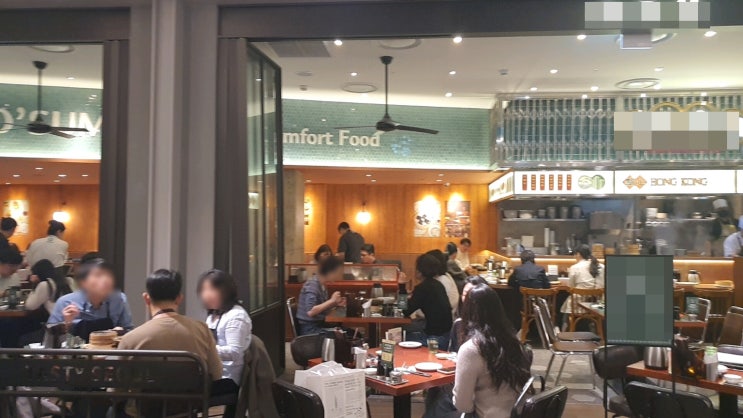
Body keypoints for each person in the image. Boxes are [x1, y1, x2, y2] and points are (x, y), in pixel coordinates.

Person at [117, 269, 224, 414]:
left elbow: (117, 390)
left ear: (146, 298)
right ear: (179, 298)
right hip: (188, 410)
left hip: (144, 412)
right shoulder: (202, 330)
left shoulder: (131, 339)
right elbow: (216, 374)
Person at [451, 284, 531, 417]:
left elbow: (463, 405)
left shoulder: (471, 349)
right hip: (516, 413)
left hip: (486, 414)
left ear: (468, 311)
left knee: (437, 408)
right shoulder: (514, 342)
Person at [48, 258, 133, 340]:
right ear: (83, 282)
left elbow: (129, 330)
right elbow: (50, 338)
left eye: (109, 276)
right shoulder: (65, 302)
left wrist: (121, 332)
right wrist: (67, 324)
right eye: (98, 275)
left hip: (108, 348)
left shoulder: (119, 299)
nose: (105, 280)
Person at [198, 269, 252, 393]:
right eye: (204, 290)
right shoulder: (213, 314)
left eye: (212, 289)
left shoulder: (236, 316)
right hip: (213, 373)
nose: (206, 295)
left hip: (227, 379)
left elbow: (235, 353)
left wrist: (204, 349)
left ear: (226, 291)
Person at [402, 253, 453, 348]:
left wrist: (401, 285)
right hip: (447, 336)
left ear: (420, 271)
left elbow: (404, 311)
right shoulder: (438, 285)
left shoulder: (423, 288)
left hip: (434, 340)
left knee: (400, 334)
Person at [296, 256, 346, 335]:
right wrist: (332, 301)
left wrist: (335, 303)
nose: (339, 276)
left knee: (348, 332)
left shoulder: (322, 285)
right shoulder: (312, 284)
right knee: (343, 335)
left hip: (319, 324)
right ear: (330, 271)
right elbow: (311, 312)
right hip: (310, 329)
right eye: (338, 272)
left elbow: (321, 308)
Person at [560, 244, 605, 325]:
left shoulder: (575, 267)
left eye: (575, 255)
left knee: (564, 306)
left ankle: (567, 329)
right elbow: (602, 285)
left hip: (578, 306)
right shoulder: (601, 266)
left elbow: (571, 287)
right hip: (596, 305)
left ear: (578, 254)